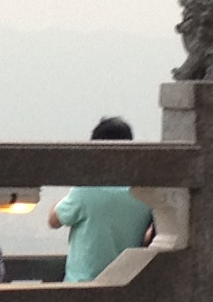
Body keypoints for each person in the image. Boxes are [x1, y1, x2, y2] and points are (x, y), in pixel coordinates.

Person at [50, 115, 158, 283]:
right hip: (124, 286)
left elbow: (53, 221)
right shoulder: (143, 192)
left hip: (81, 285)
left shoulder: (86, 189)